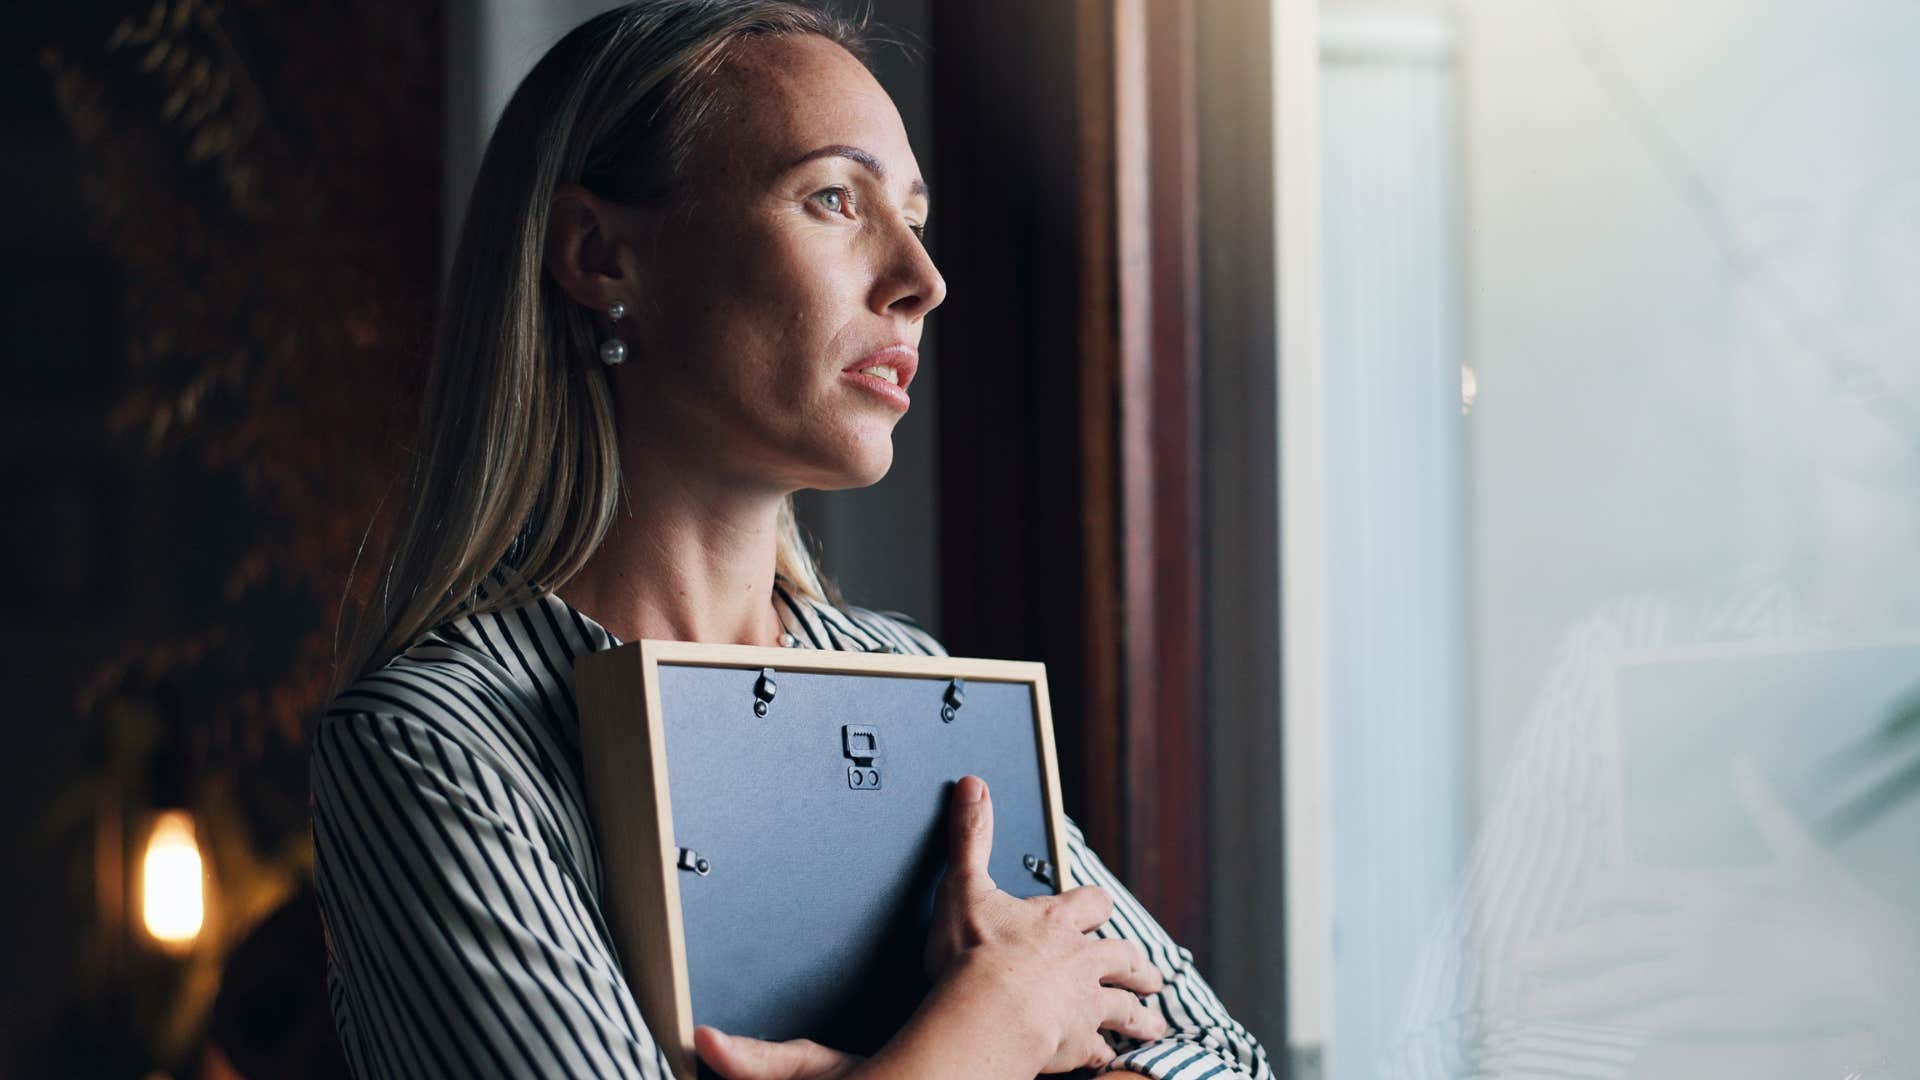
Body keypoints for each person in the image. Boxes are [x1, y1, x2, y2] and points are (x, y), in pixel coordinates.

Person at [308, 3, 1273, 1078]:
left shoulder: (919, 685)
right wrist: (993, 1022)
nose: (922, 279)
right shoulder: (432, 744)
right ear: (598, 254)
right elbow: (1036, 1014)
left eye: (914, 214)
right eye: (832, 199)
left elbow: (1223, 1060)